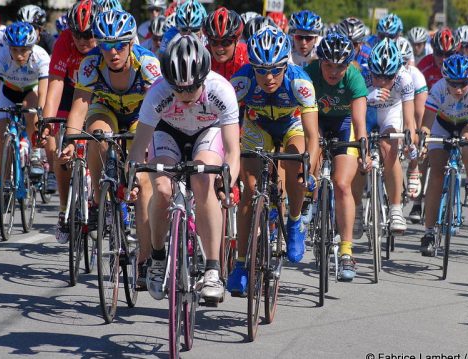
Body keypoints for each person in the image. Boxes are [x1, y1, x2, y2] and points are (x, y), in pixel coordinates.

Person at [127, 34, 240, 303]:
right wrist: (130, 180)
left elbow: (233, 149)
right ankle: (156, 257)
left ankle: (212, 269)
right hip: (168, 132)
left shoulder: (221, 90)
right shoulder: (158, 92)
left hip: (207, 131)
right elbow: (138, 146)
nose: (186, 96)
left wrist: (227, 183)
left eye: (192, 89)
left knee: (203, 180)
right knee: (162, 187)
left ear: (204, 78)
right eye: (179, 89)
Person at [59, 10, 160, 271]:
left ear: (129, 44)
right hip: (106, 109)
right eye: (106, 45)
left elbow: (158, 111)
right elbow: (80, 106)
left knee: (143, 180)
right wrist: (70, 140)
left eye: (119, 46)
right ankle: (96, 197)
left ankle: (145, 257)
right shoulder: (91, 64)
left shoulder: (147, 63)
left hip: (141, 114)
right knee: (98, 136)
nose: (113, 52)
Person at [227, 25, 320, 295]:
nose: (269, 77)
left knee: (296, 159)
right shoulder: (241, 81)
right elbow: (228, 125)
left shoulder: (300, 82)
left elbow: (313, 137)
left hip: (292, 125)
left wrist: (309, 170)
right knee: (249, 192)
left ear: (285, 65)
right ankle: (241, 265)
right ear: (252, 67)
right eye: (262, 70)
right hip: (257, 127)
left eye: (276, 70)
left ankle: (293, 222)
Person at [305, 31, 368, 281]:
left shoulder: (354, 77)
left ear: (348, 65)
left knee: (342, 185)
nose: (333, 71)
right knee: (311, 158)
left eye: (339, 66)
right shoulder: (308, 74)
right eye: (328, 65)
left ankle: (346, 252)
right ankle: (308, 201)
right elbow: (303, 116)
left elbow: (359, 122)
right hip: (316, 121)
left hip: (344, 125)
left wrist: (363, 151)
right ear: (319, 61)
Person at [419, 54, 468, 255]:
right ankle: (428, 233)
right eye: (454, 84)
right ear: (446, 80)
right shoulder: (438, 89)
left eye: (463, 83)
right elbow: (426, 125)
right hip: (442, 125)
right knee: (435, 175)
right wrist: (423, 143)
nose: (459, 89)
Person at [41, 0, 98, 244]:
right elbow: (55, 84)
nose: (83, 40)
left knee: (100, 138)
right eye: (78, 34)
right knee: (60, 151)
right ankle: (65, 208)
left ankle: (98, 197)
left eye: (89, 34)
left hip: (97, 94)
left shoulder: (104, 46)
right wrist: (46, 122)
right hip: (69, 92)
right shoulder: (64, 42)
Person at [352, 38, 416, 238]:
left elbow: (408, 119)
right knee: (357, 157)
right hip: (367, 112)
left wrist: (410, 142)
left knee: (389, 147)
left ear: (397, 71)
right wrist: (368, 97)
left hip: (391, 112)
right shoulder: (362, 74)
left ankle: (396, 208)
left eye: (388, 77)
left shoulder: (405, 79)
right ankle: (356, 209)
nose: (381, 81)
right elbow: (351, 109)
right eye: (377, 75)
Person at [0, 22, 49, 181]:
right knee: (1, 136)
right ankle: (4, 183)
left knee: (31, 108)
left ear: (32, 46)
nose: (19, 55)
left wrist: (42, 117)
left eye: (24, 50)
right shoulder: (2, 55)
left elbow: (43, 92)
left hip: (30, 91)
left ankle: (35, 154)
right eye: (14, 49)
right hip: (8, 92)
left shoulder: (41, 57)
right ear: (8, 47)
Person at [397, 37, 429, 223]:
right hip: (390, 109)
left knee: (415, 130)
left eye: (404, 62)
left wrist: (417, 135)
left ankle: (414, 168)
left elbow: (419, 113)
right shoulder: (384, 72)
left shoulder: (414, 75)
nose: (400, 66)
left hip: (409, 109)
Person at [202, 7, 248, 80]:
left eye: (226, 42)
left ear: (237, 41)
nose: (219, 48)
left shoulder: (247, 58)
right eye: (214, 42)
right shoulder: (202, 58)